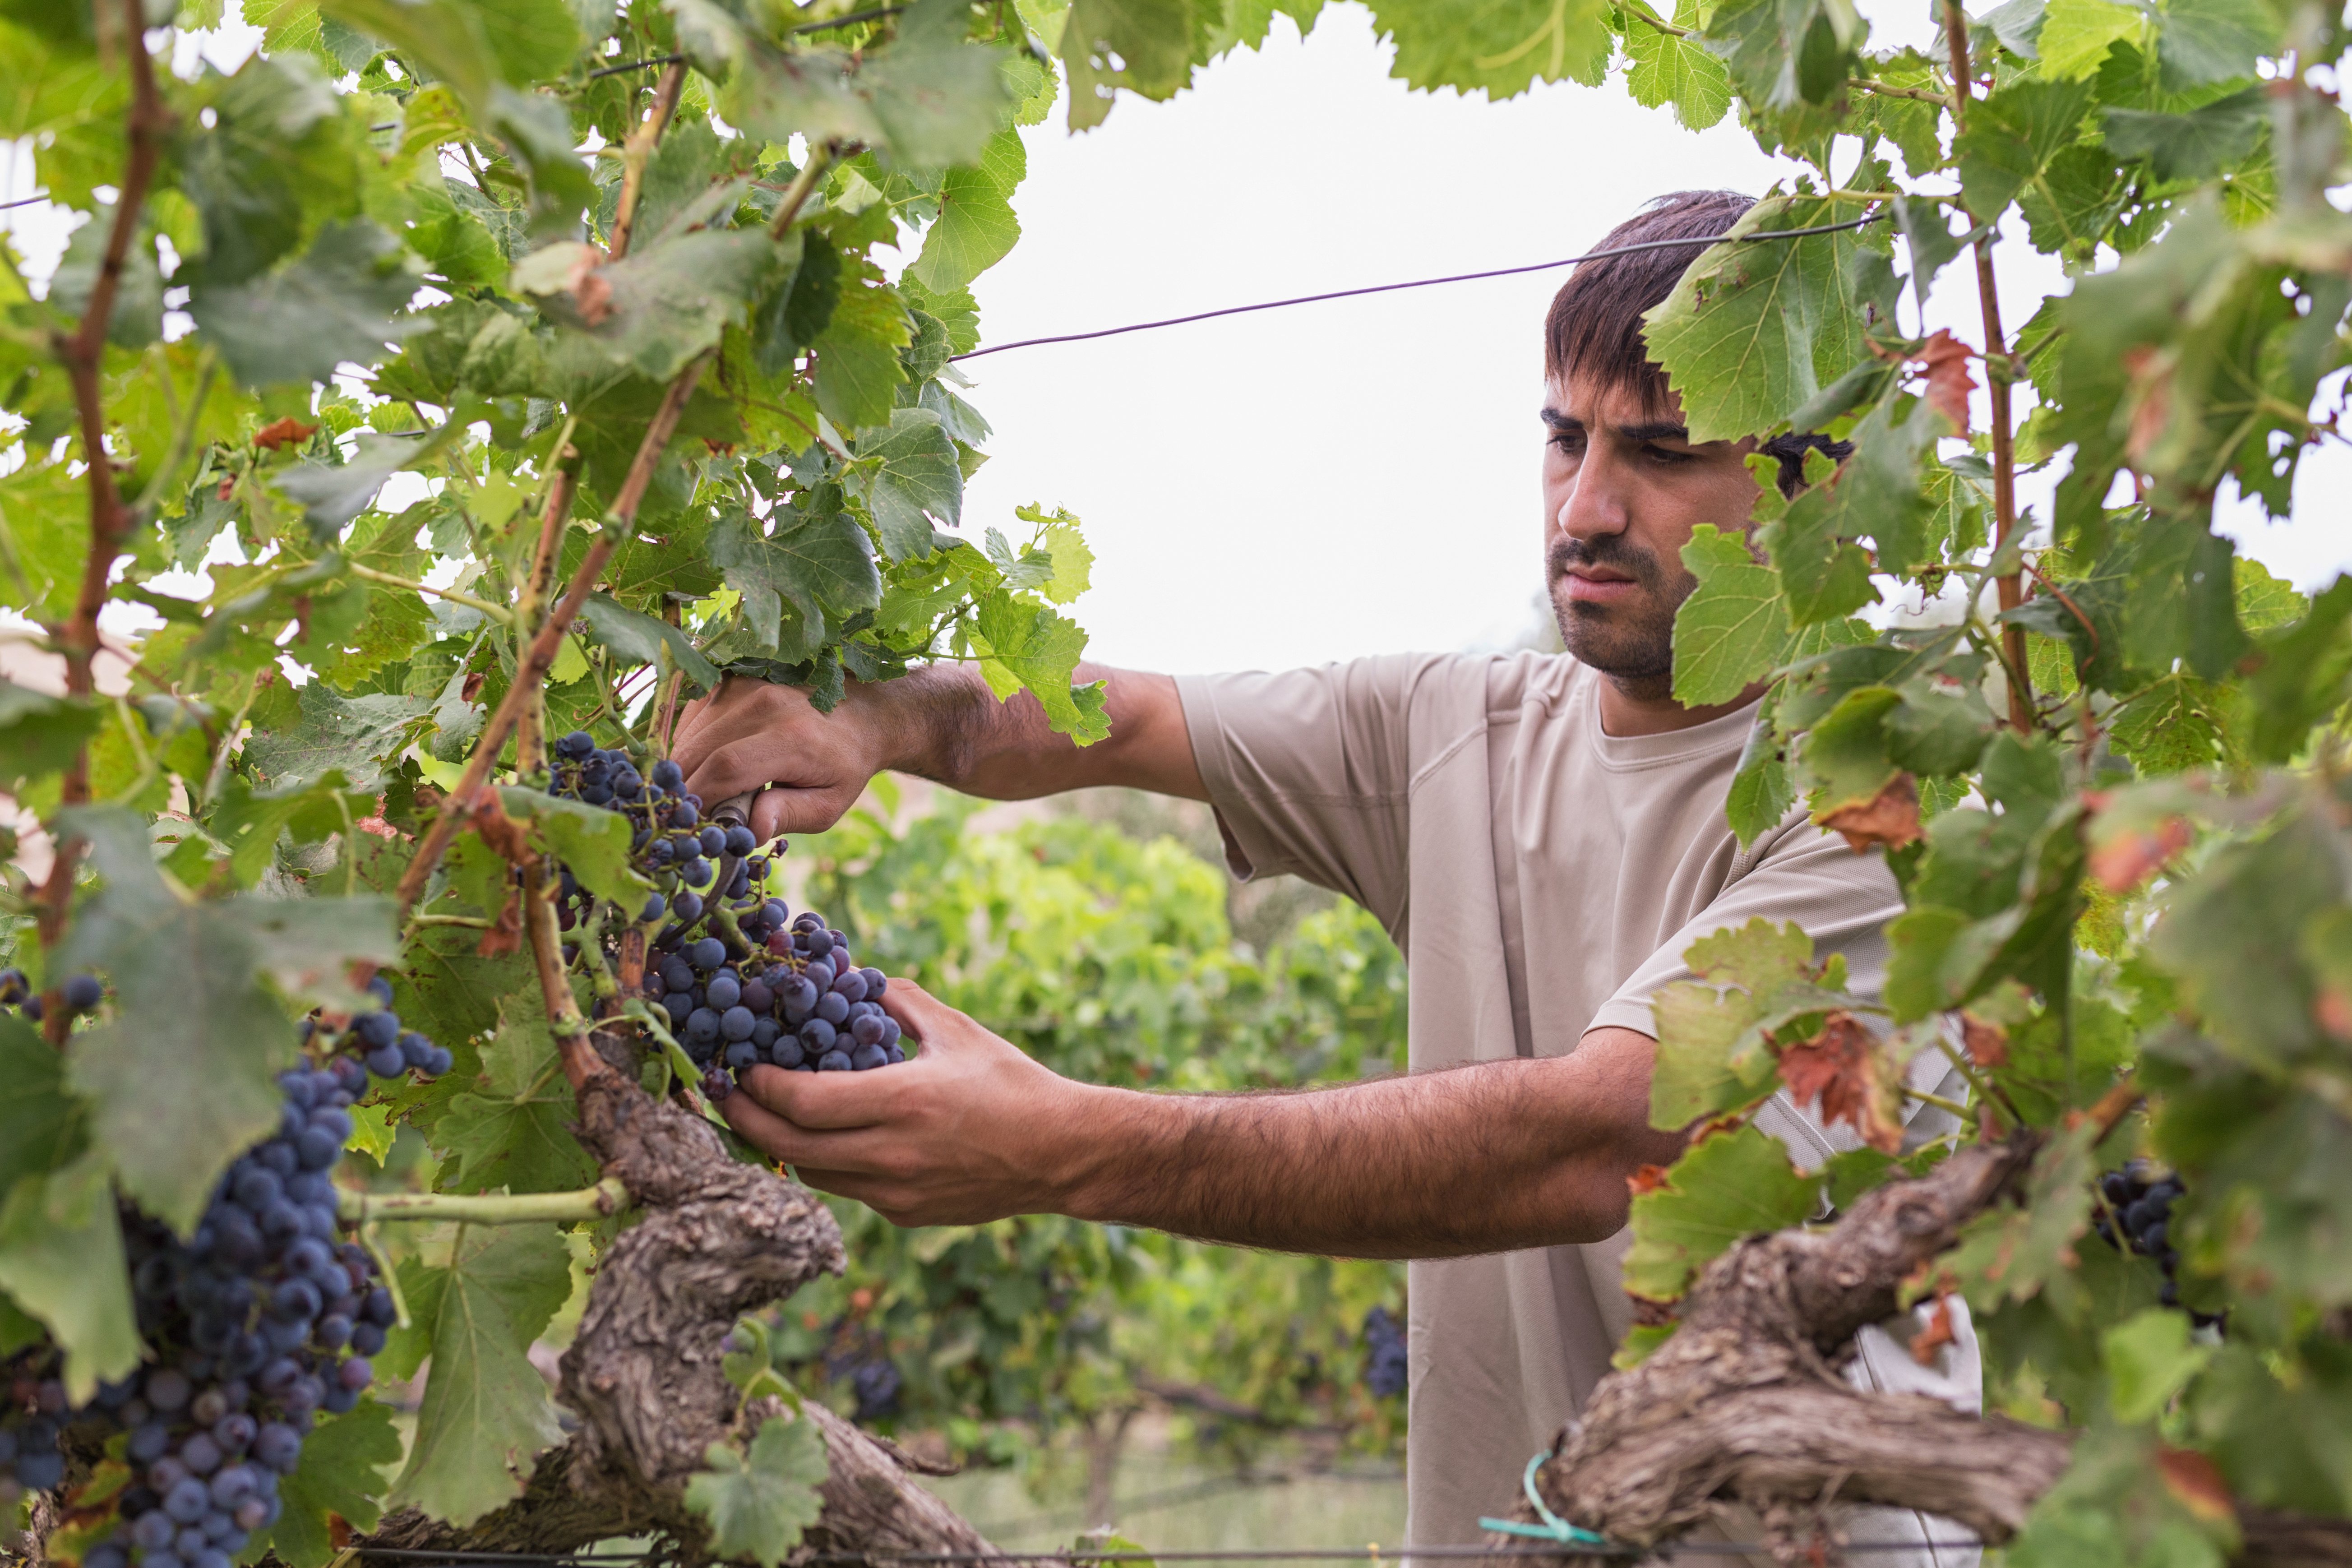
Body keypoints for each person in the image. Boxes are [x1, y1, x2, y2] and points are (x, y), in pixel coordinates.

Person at [674, 190, 1979, 1562]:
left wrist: (1064, 1144)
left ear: (1822, 489)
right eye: (1564, 437)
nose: (1587, 505)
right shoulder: (1462, 726)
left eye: (1660, 453)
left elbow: (1597, 1141)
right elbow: (1122, 718)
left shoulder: (1881, 806)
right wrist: (886, 719)